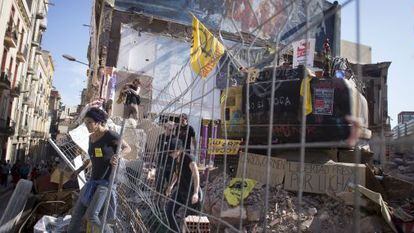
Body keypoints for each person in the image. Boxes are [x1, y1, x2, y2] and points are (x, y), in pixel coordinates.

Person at [67, 107, 131, 232]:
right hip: (92, 181)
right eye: (85, 123)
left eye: (89, 122)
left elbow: (127, 148)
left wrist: (118, 156)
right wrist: (79, 170)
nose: (87, 125)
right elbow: (93, 158)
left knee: (92, 216)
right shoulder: (91, 138)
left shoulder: (110, 135)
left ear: (98, 122)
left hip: (105, 182)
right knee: (77, 214)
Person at [165, 140, 202, 232]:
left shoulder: (188, 158)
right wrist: (171, 186)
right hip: (181, 191)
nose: (170, 154)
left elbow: (196, 173)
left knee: (188, 220)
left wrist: (196, 193)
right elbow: (176, 174)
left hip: (192, 193)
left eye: (172, 152)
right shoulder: (176, 160)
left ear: (178, 150)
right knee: (169, 211)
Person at [155, 121, 177, 193]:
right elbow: (158, 149)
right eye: (170, 129)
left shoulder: (174, 139)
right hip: (161, 162)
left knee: (169, 181)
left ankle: (166, 196)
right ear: (165, 128)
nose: (171, 131)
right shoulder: (161, 137)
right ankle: (158, 196)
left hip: (170, 163)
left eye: (173, 130)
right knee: (159, 181)